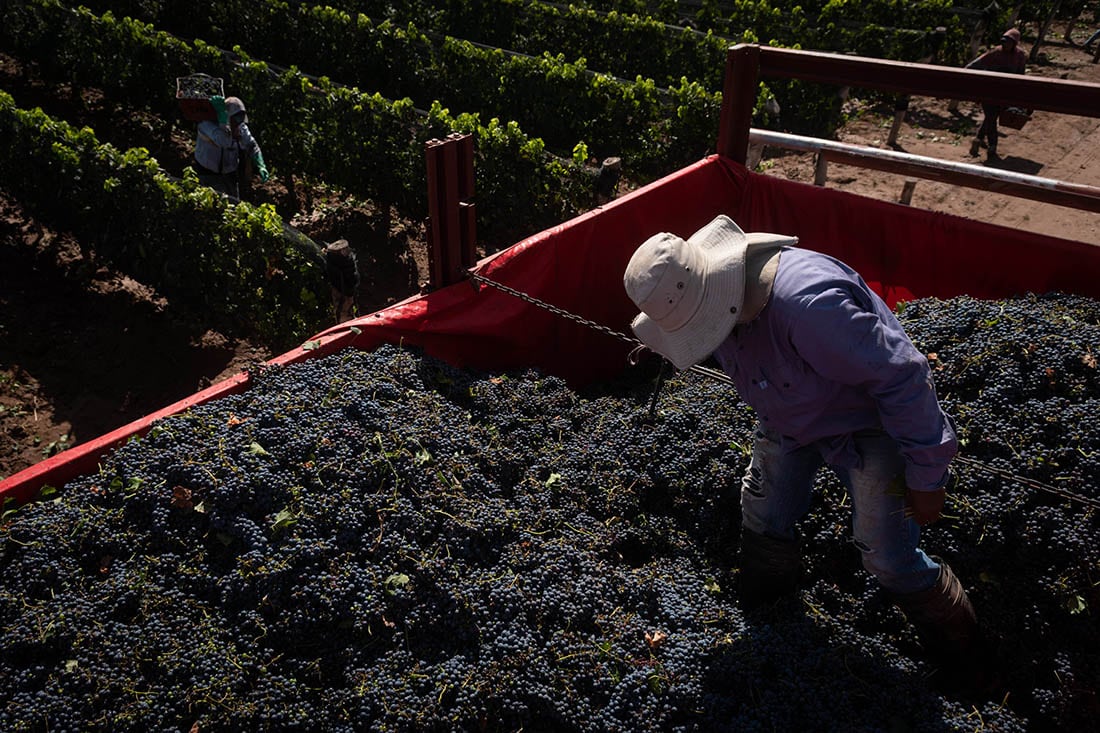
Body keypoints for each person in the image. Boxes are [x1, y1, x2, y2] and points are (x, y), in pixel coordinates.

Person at [623, 215, 991, 692]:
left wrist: (926, 476)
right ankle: (769, 605)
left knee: (885, 554)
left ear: (719, 292)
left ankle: (961, 646)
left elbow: (902, 378)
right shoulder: (724, 307)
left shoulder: (810, 308)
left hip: (869, 430)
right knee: (763, 513)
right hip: (789, 416)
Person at [965, 28, 1027, 159]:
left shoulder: (1019, 56)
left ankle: (978, 140)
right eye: (1003, 42)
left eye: (1008, 42)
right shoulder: (995, 53)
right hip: (990, 91)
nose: (1005, 45)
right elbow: (973, 65)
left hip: (1006, 93)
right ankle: (992, 148)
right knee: (991, 118)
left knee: (991, 117)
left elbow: (1021, 75)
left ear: (1014, 44)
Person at [193, 95, 269, 198]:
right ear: (227, 116)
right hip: (206, 171)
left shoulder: (240, 127)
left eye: (241, 119)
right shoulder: (207, 125)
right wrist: (223, 122)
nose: (238, 123)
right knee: (208, 200)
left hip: (229, 172)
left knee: (232, 203)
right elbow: (223, 141)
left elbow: (252, 145)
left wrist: (261, 165)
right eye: (236, 119)